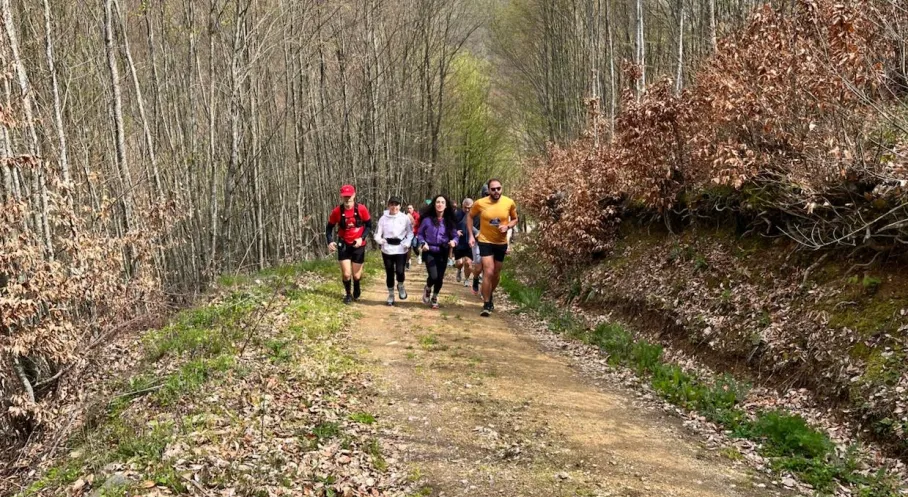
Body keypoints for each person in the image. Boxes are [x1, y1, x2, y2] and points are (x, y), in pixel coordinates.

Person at [468, 179, 518, 317]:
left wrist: (507, 226)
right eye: (493, 189)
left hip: (501, 243)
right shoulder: (480, 203)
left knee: (496, 274)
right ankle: (486, 304)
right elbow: (470, 216)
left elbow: (515, 219)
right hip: (485, 241)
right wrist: (471, 236)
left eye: (498, 188)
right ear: (488, 190)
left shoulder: (509, 202)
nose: (496, 191)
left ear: (502, 189)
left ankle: (489, 293)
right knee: (488, 272)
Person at [326, 185, 372, 304]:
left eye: (349, 196)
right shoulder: (337, 211)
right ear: (341, 197)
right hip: (344, 243)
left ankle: (356, 285)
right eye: (345, 196)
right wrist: (330, 241)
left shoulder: (361, 209)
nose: (347, 199)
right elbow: (329, 228)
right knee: (346, 274)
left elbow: (369, 225)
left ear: (354, 195)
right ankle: (348, 294)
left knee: (356, 276)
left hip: (358, 244)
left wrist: (361, 238)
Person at [417, 195, 459, 310]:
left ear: (446, 206)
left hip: (443, 250)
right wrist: (422, 243)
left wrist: (454, 242)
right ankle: (428, 287)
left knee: (440, 277)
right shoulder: (427, 220)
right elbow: (420, 234)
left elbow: (455, 236)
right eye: (437, 202)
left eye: (442, 202)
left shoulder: (449, 221)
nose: (440, 204)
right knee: (433, 276)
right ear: (434, 205)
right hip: (429, 250)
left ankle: (435, 296)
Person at [374, 196, 413, 306]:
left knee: (400, 271)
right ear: (388, 205)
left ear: (400, 206)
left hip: (401, 248)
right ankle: (391, 294)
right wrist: (380, 240)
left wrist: (407, 243)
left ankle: (400, 285)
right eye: (392, 204)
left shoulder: (405, 218)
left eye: (396, 205)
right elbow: (378, 233)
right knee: (389, 272)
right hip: (387, 249)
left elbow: (410, 233)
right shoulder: (383, 218)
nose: (394, 207)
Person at [453, 198, 475, 284]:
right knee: (459, 262)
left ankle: (466, 279)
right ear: (462, 206)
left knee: (468, 262)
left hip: (470, 243)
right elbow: (450, 227)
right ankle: (459, 270)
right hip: (459, 242)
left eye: (469, 208)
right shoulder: (456, 214)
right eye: (465, 207)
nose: (467, 210)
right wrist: (456, 232)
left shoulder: (476, 215)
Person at [407, 204, 420, 269]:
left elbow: (418, 224)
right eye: (408, 208)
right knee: (408, 247)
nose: (409, 209)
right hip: (408, 234)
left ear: (413, 209)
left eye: (410, 208)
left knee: (415, 246)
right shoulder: (406, 216)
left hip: (415, 233)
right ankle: (408, 261)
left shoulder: (417, 215)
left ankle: (418, 255)